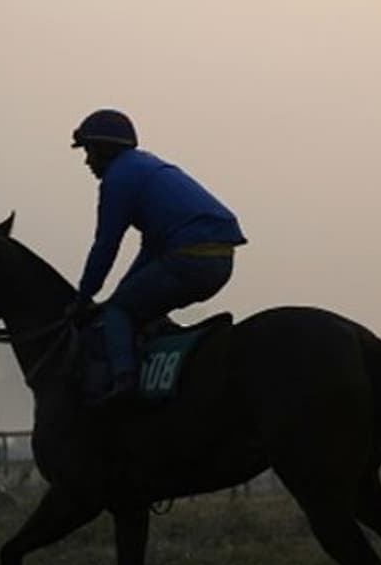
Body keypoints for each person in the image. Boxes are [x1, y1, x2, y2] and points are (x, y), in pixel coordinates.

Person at [66, 108, 247, 405]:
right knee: (131, 305)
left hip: (189, 257)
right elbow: (149, 249)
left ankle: (125, 381)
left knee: (117, 313)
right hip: (220, 257)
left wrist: (83, 299)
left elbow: (105, 247)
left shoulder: (117, 179)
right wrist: (119, 292)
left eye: (89, 151)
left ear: (103, 149)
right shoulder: (146, 167)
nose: (87, 161)